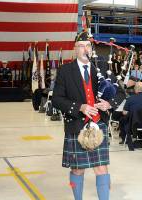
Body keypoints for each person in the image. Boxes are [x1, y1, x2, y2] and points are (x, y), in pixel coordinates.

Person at [52, 31, 115, 200]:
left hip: (98, 124)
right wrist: (80, 107)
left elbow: (119, 92)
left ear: (91, 48)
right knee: (77, 169)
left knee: (101, 168)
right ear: (75, 49)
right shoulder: (65, 70)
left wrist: (109, 103)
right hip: (77, 125)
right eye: (81, 46)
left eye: (88, 45)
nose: (85, 49)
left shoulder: (101, 67)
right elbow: (57, 99)